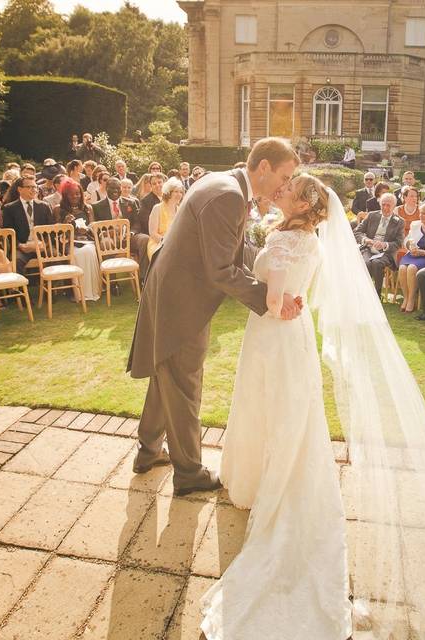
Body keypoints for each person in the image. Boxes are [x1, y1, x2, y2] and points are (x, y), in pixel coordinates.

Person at [203, 171, 425, 640]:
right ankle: (269, 474)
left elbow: (271, 298)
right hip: (290, 335)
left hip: (274, 334)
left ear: (306, 204)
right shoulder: (301, 237)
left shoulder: (292, 241)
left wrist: (269, 294)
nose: (281, 189)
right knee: (290, 413)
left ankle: (269, 480)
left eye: (289, 188)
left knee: (274, 409)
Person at [128, 137, 301, 497]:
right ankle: (189, 473)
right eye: (285, 176)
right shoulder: (229, 196)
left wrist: (271, 273)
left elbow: (231, 252)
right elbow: (222, 271)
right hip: (182, 302)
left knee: (166, 377)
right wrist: (272, 300)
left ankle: (147, 452)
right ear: (264, 167)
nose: (286, 186)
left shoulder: (223, 181)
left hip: (172, 293)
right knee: (185, 385)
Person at [54, 178, 101, 301]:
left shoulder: (88, 208)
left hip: (87, 240)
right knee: (79, 253)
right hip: (68, 242)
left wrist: (87, 230)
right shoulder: (58, 209)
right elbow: (55, 232)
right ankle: (77, 293)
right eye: (71, 194)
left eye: (77, 193)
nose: (75, 196)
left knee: (90, 251)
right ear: (65, 195)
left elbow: (93, 226)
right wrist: (65, 223)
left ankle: (92, 290)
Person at [353, 193, 405, 295]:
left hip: (386, 253)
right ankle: (363, 292)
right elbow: (356, 232)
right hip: (368, 248)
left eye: (388, 205)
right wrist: (366, 240)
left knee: (377, 263)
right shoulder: (372, 215)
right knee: (366, 263)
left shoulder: (399, 222)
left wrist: (385, 245)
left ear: (394, 206)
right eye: (383, 205)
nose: (385, 208)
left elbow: (399, 243)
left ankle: (377, 294)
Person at [1, 176, 55, 273]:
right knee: (16, 261)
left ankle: (53, 286)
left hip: (41, 246)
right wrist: (20, 245)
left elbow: (51, 230)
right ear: (20, 189)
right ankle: (18, 287)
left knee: (57, 255)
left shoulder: (44, 206)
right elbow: (8, 233)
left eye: (35, 187)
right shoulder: (10, 208)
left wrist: (45, 243)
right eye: (29, 187)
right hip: (23, 247)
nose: (34, 190)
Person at [114, 178, 149, 280]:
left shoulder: (132, 202)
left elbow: (137, 222)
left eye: (128, 187)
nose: (126, 189)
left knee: (145, 239)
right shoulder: (108, 203)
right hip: (113, 237)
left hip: (128, 236)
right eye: (123, 187)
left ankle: (143, 277)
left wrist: (131, 232)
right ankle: (112, 282)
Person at [147, 177, 185, 258]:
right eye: (176, 192)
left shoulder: (180, 210)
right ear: (168, 193)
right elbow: (153, 233)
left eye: (181, 192)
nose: (179, 195)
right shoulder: (157, 208)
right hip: (158, 244)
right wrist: (167, 243)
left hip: (175, 244)